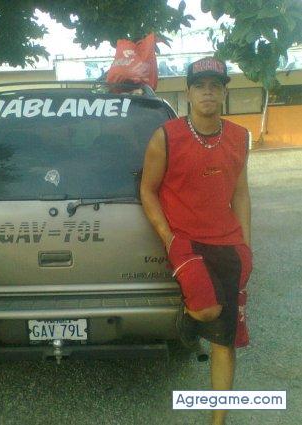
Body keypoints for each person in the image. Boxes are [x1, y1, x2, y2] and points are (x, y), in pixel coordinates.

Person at [140, 57, 253, 425]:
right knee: (206, 311)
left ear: (223, 94)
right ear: (188, 93)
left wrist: (246, 244)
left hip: (228, 245)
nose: (208, 92)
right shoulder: (166, 136)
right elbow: (147, 190)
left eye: (215, 86)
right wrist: (168, 238)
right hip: (186, 243)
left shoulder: (239, 137)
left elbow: (241, 193)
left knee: (224, 341)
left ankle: (217, 421)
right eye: (200, 86)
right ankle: (190, 318)